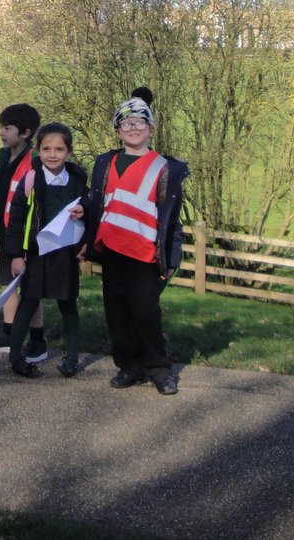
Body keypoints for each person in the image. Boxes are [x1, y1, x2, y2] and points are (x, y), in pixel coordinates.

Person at [78, 87, 188, 395]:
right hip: (111, 247)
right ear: (117, 130)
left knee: (145, 310)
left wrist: (171, 255)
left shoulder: (166, 168)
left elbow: (170, 217)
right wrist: (83, 215)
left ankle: (158, 367)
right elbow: (97, 201)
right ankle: (129, 365)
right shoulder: (105, 163)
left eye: (140, 122)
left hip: (144, 252)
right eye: (126, 123)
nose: (134, 128)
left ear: (151, 129)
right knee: (117, 309)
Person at [3, 123, 88, 378]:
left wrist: (85, 214)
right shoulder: (31, 179)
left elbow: (90, 209)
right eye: (47, 148)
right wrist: (17, 254)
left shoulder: (77, 179)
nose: (53, 154)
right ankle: (15, 357)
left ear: (69, 152)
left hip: (65, 253)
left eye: (59, 149)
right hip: (36, 254)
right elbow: (16, 218)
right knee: (28, 303)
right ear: (38, 150)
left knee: (68, 305)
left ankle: (72, 357)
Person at [0, 103, 46, 361]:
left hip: (28, 235)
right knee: (8, 283)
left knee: (31, 288)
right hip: (7, 232)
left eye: (7, 128)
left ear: (26, 133)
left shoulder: (35, 162)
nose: (1, 133)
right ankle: (8, 334)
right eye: (1, 127)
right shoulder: (4, 156)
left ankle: (38, 341)